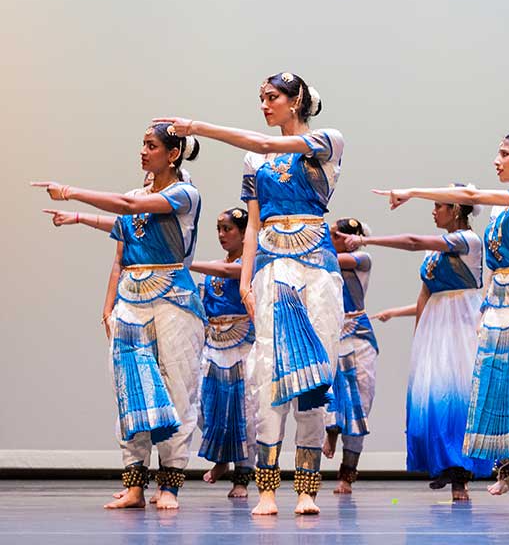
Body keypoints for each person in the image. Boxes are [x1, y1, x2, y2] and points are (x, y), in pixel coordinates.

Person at [157, 71, 344, 515]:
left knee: (313, 378)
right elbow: (254, 223)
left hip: (316, 267)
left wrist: (199, 128)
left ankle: (306, 491)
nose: (265, 104)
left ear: (295, 101)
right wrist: (244, 278)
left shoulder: (328, 141)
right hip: (271, 267)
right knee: (267, 376)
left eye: (273, 97)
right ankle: (265, 490)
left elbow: (266, 144)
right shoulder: (253, 164)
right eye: (261, 98)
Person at [371, 131, 509, 515]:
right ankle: (506, 466)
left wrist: (412, 190)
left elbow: (475, 198)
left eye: (504, 153)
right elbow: (493, 269)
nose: (497, 160)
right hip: (499, 307)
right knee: (496, 391)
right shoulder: (499, 212)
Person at [33, 123, 204, 510]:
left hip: (173, 298)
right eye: (142, 145)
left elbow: (129, 210)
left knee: (177, 388)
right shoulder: (135, 196)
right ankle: (134, 486)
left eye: (152, 145)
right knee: (130, 387)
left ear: (173, 154)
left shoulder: (185, 194)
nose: (143, 151)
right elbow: (123, 236)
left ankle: (170, 486)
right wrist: (108, 306)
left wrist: (71, 191)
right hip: (131, 298)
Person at [340, 189, 491, 501]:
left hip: (460, 318)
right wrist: (418, 335)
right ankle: (442, 464)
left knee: (457, 394)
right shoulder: (432, 254)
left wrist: (367, 241)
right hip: (435, 322)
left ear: (457, 210)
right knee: (432, 395)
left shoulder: (469, 241)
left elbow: (412, 242)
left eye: (439, 206)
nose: (434, 212)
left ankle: (461, 473)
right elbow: (424, 294)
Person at [191, 208, 258, 498]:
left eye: (228, 229)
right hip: (214, 345)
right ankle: (221, 457)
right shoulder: (212, 270)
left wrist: (186, 263)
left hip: (243, 344)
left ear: (245, 233)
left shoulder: (251, 264)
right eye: (218, 228)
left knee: (245, 410)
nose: (221, 234)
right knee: (206, 406)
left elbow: (231, 272)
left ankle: (242, 477)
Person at [322, 217, 378, 495]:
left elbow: (329, 259)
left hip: (358, 337)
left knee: (359, 403)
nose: (330, 239)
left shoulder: (361, 259)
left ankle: (347, 474)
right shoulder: (325, 262)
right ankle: (331, 431)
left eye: (335, 235)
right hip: (332, 334)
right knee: (329, 395)